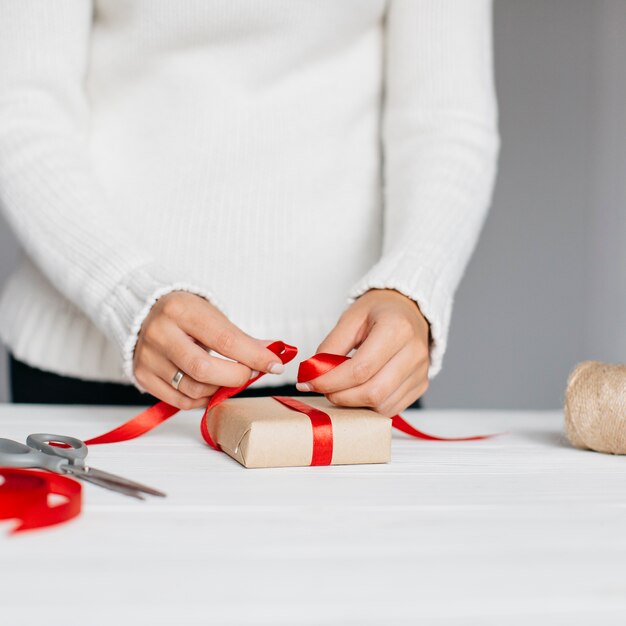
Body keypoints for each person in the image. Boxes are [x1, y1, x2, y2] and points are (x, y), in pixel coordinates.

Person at [0, 0, 499, 416]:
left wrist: (411, 289)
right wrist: (124, 292)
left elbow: (446, 119)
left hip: (351, 369)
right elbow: (20, 110)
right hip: (90, 356)